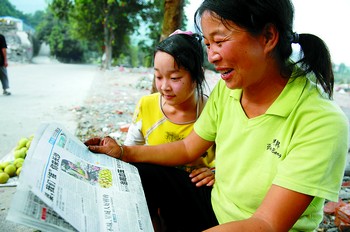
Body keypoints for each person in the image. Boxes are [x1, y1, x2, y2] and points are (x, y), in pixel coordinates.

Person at [85, 0, 350, 231]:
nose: (212, 56)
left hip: (257, 226)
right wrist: (123, 152)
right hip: (213, 207)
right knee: (140, 173)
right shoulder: (229, 89)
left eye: (220, 41)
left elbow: (267, 224)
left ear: (269, 36)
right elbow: (189, 147)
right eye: (208, 44)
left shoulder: (321, 121)